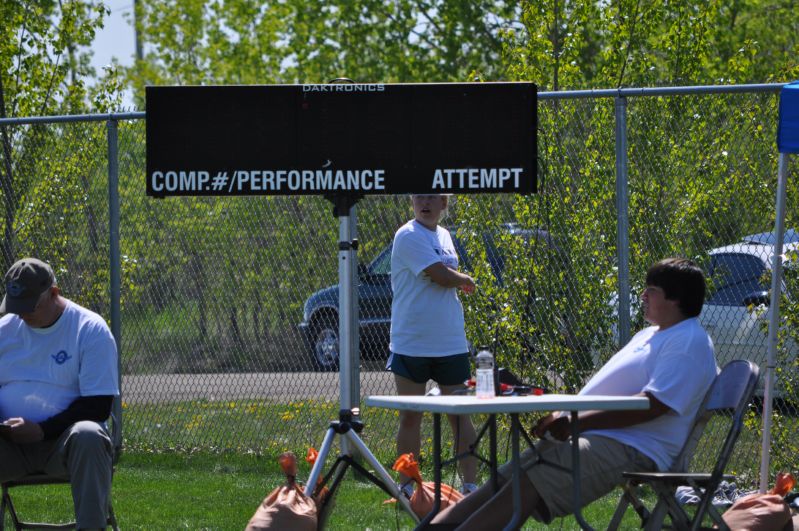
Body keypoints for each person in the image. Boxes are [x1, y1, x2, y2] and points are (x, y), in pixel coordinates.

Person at [431, 257, 718, 529]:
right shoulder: (650, 334)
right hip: (595, 434)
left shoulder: (688, 341)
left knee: (527, 483)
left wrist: (577, 422)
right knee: (500, 482)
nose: (643, 295)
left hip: (636, 446)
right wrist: (563, 414)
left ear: (676, 299)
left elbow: (652, 405)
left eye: (652, 291)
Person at [0, 258, 120, 530]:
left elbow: (98, 406)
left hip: (64, 448)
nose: (22, 314)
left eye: (30, 306)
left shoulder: (89, 329)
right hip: (9, 448)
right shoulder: (4, 330)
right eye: (16, 306)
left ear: (54, 293)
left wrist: (42, 430)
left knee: (89, 434)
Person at [388, 194, 479, 496]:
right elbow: (440, 276)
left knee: (459, 415)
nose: (424, 203)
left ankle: (470, 486)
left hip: (450, 343)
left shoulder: (444, 235)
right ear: (412, 201)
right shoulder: (408, 235)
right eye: (418, 197)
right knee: (411, 415)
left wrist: (456, 279)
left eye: (432, 198)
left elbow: (445, 276)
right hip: (411, 343)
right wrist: (463, 277)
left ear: (444, 204)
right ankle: (407, 486)